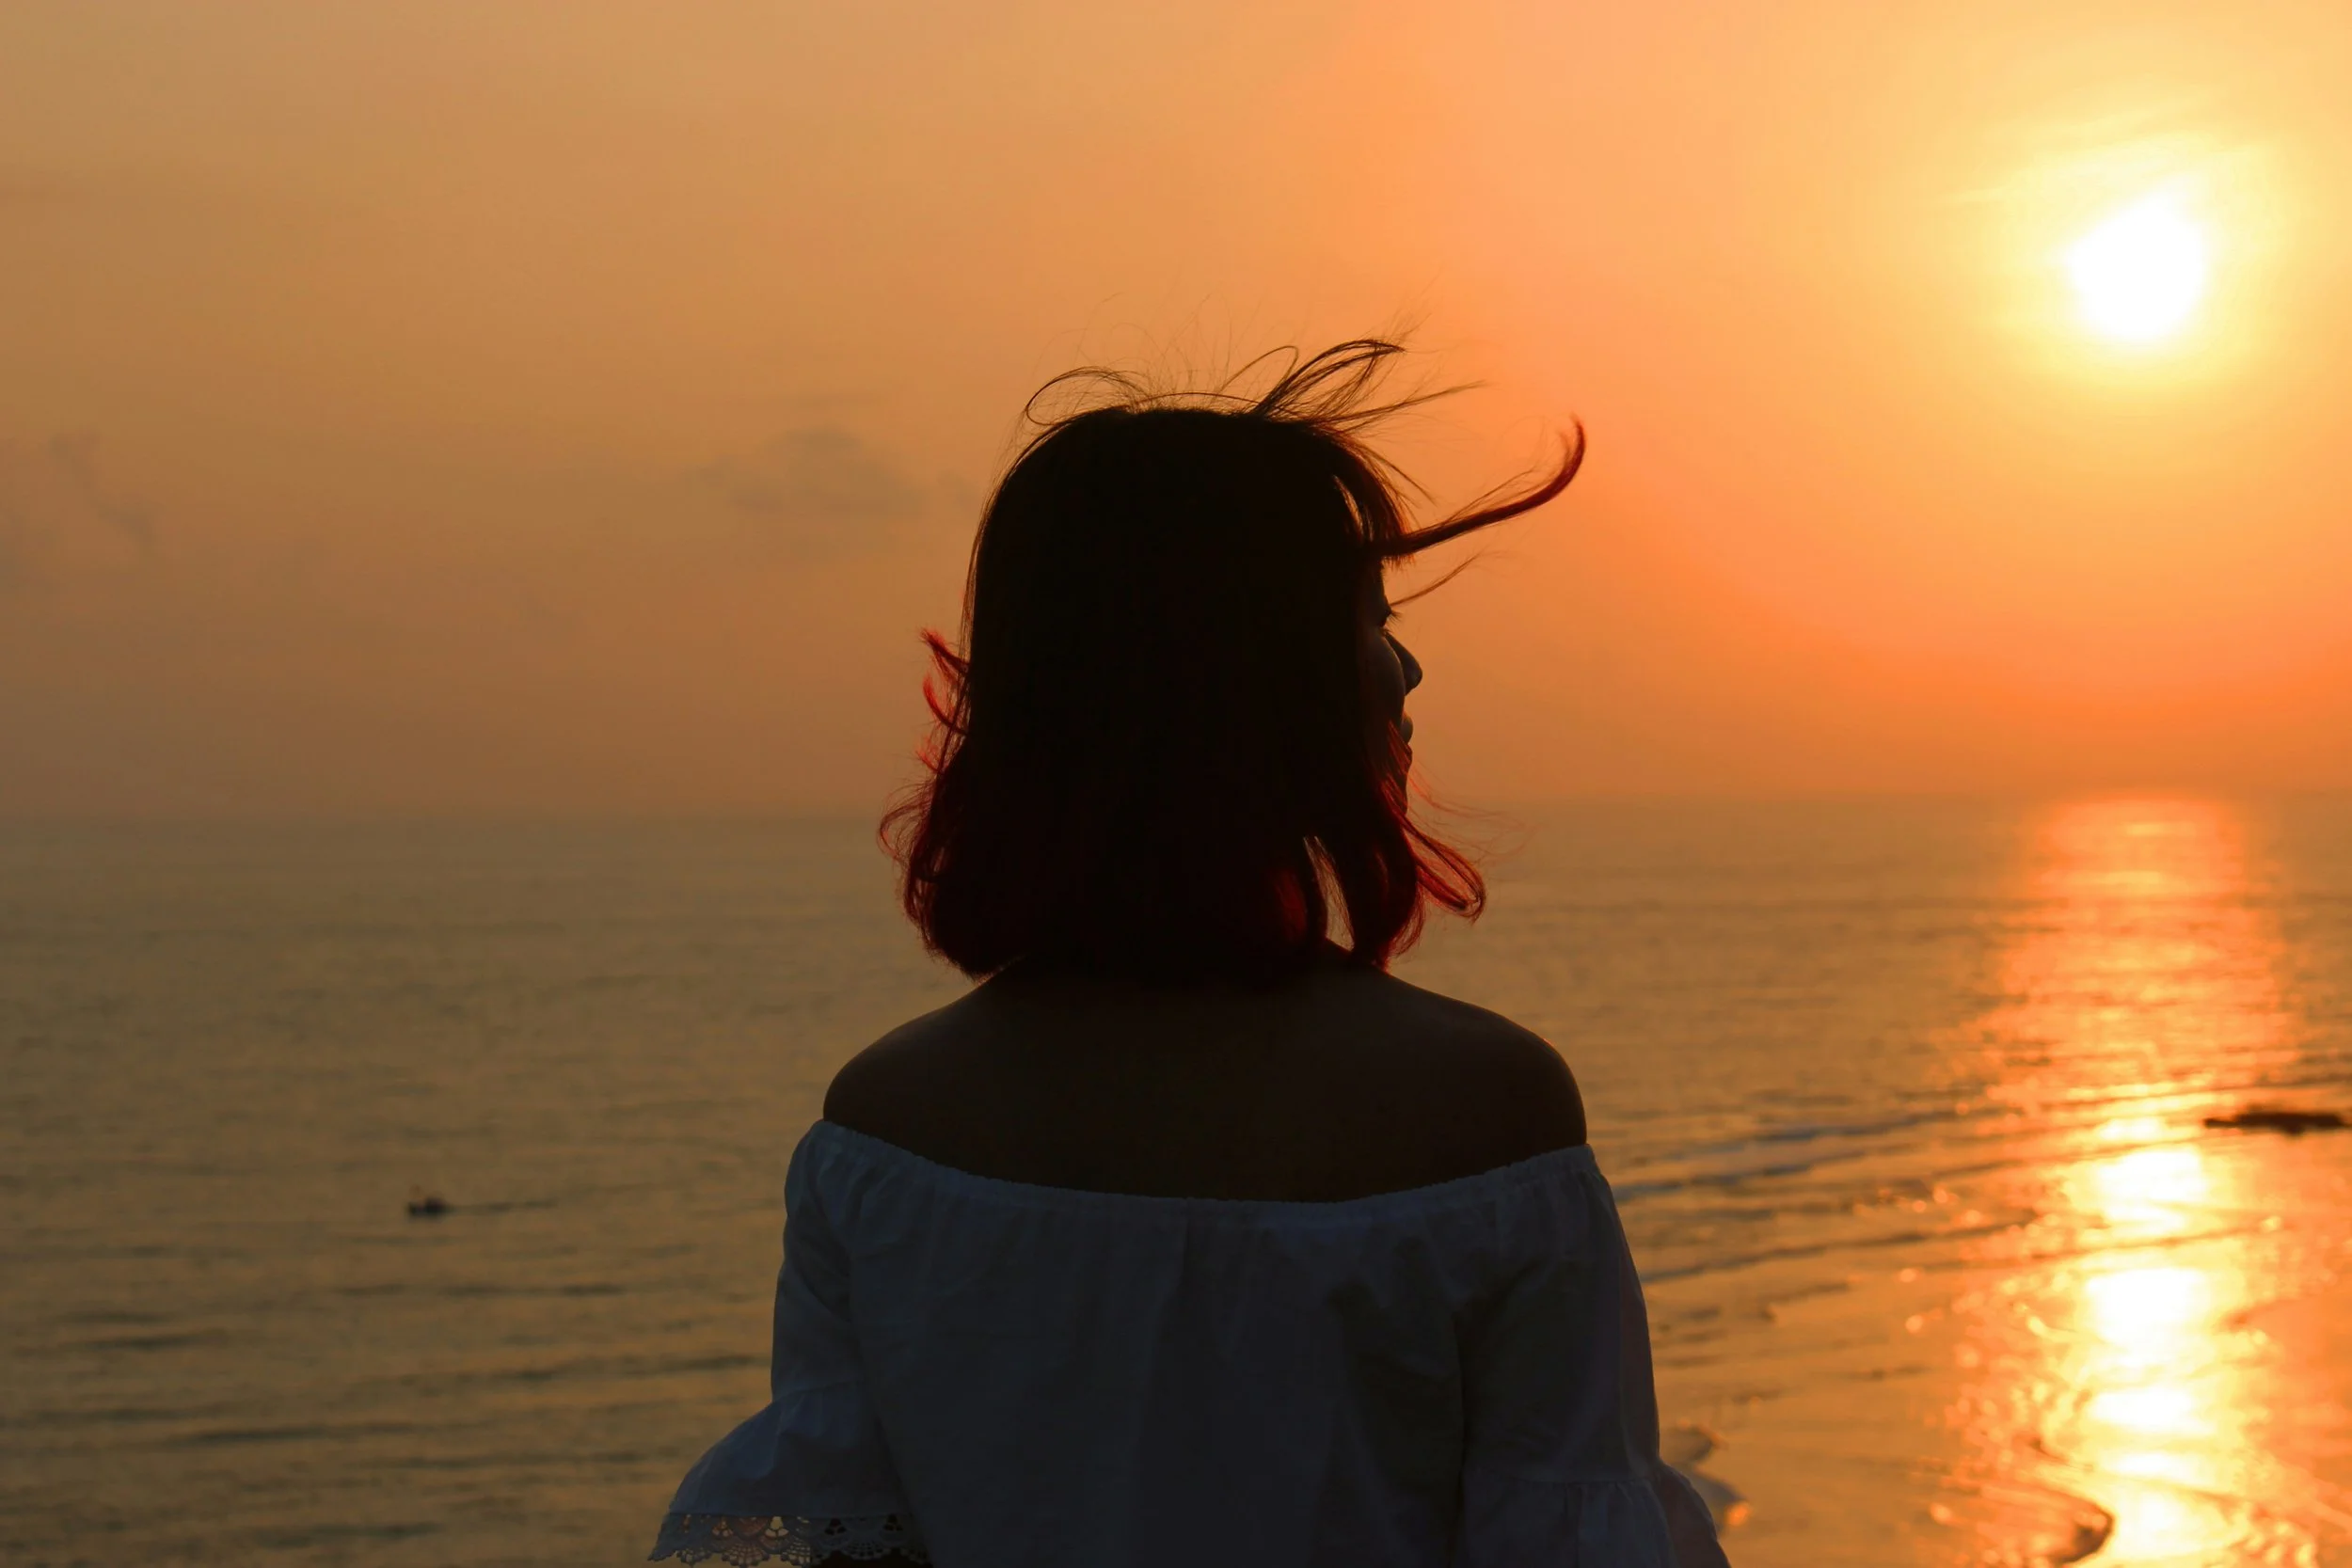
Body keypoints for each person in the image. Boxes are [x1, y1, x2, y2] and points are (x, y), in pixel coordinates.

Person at [649, 341, 1730, 1567]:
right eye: (1370, 620)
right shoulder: (1484, 1116)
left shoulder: (887, 1137)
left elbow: (805, 1542)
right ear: (1261, 680)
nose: (1409, 665)